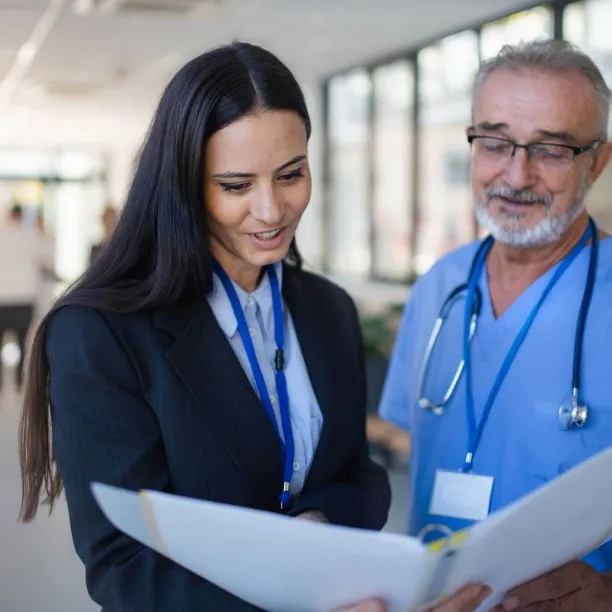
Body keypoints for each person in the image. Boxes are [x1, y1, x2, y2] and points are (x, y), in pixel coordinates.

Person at [16, 42, 487, 612]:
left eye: (291, 174)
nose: (272, 210)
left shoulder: (327, 310)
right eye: (236, 186)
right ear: (184, 185)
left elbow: (359, 476)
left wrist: (314, 527)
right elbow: (122, 563)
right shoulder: (102, 333)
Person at [379, 38, 612, 611]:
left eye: (551, 150)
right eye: (495, 142)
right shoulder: (439, 286)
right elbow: (407, 434)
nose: (516, 173)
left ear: (598, 162)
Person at [0, 204, 38, 390]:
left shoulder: (2, 235)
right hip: (24, 296)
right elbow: (42, 262)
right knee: (23, 343)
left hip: (3, 297)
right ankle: (19, 383)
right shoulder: (30, 237)